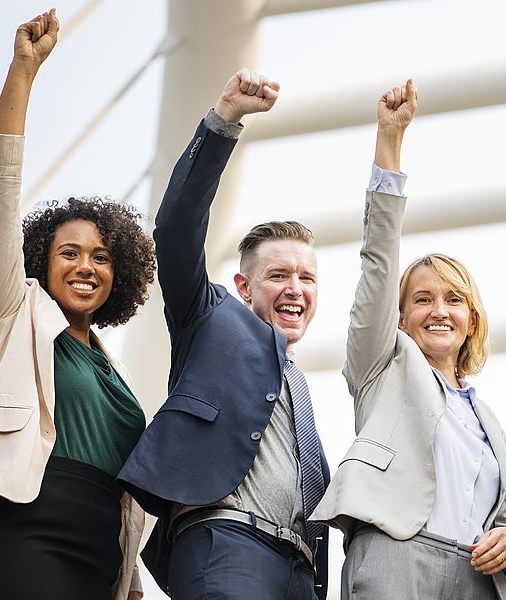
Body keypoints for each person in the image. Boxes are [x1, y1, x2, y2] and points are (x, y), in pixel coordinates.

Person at [0, 9, 156, 600]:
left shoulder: (115, 372)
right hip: (22, 528)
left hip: (100, 550)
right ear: (40, 263)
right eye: (69, 252)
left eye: (101, 258)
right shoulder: (11, 314)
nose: (85, 266)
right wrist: (23, 71)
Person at [117, 68, 329, 600]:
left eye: (307, 278)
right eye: (278, 275)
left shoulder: (295, 382)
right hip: (227, 542)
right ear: (242, 285)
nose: (295, 289)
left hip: (299, 571)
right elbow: (177, 229)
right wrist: (224, 121)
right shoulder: (210, 317)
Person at [310, 79, 506, 600]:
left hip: (476, 578)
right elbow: (379, 262)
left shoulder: (485, 418)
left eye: (453, 299)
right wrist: (390, 142)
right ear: (400, 319)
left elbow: (500, 514)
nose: (438, 310)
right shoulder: (383, 366)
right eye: (422, 299)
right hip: (398, 555)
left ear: (471, 320)